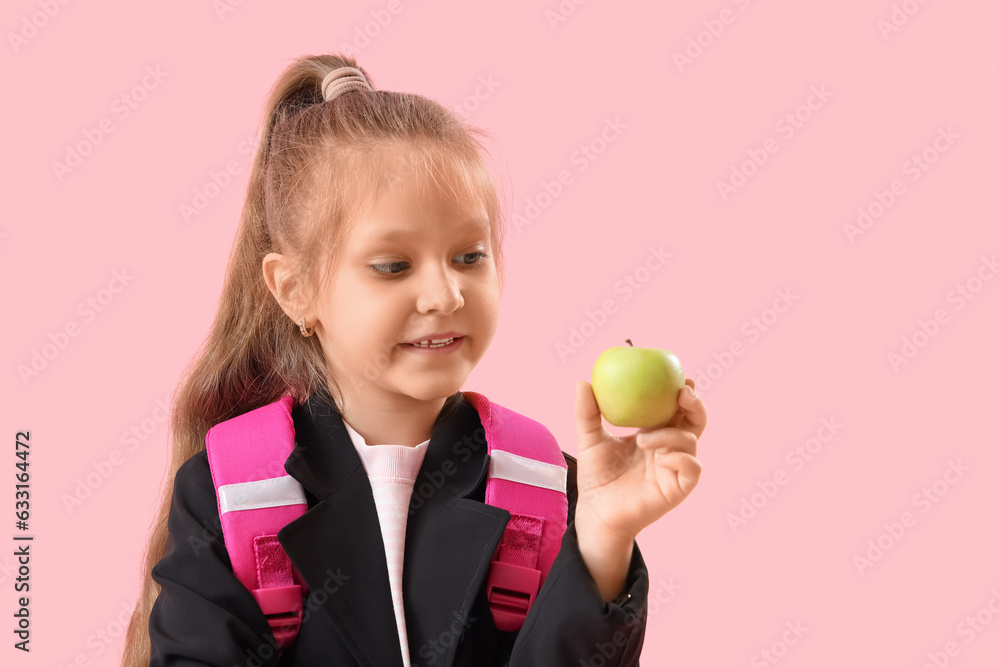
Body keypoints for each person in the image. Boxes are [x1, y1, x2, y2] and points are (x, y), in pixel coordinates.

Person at [121, 53, 708, 667]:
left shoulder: (544, 488)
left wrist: (603, 539)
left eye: (470, 256)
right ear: (295, 290)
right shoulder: (234, 493)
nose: (446, 295)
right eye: (393, 266)